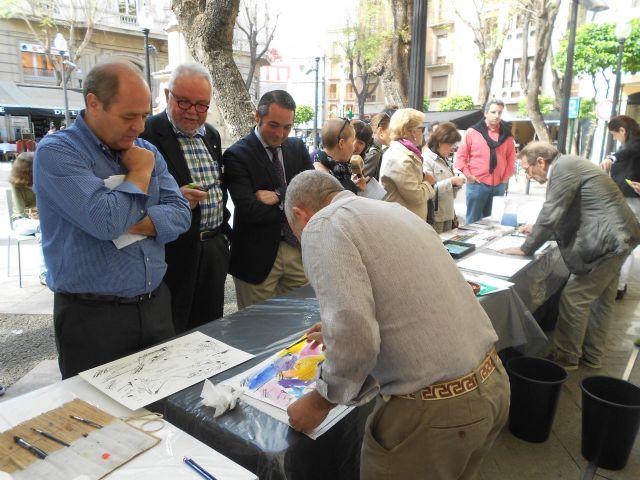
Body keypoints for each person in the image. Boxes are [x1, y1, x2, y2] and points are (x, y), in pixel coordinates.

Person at [284, 171, 509, 479]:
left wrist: (319, 401)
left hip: (435, 414)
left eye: (297, 234)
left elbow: (356, 337)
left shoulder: (322, 225)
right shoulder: (393, 210)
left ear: (300, 215)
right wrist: (338, 331)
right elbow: (409, 296)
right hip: (492, 383)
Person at [33, 61, 191, 379]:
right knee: (99, 421)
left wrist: (135, 220)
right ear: (93, 103)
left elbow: (181, 212)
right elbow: (105, 221)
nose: (139, 127)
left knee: (162, 412)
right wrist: (139, 173)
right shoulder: (58, 152)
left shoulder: (145, 149)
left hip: (154, 304)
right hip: (92, 317)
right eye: (129, 116)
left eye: (144, 115)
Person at [500, 142, 640, 370]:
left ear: (541, 162)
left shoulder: (563, 168)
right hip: (619, 237)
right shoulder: (570, 164)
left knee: (574, 297)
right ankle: (592, 356)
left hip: (608, 242)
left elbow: (552, 210)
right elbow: (569, 210)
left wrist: (526, 248)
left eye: (526, 169)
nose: (528, 175)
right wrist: (537, 228)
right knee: (601, 300)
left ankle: (566, 358)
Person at [141, 63, 230, 333]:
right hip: (175, 253)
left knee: (211, 327)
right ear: (168, 95)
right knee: (174, 329)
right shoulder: (146, 133)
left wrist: (224, 238)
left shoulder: (211, 135)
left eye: (202, 105)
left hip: (212, 247)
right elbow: (131, 197)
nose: (193, 112)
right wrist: (174, 200)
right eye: (184, 102)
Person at [223, 90, 312, 310]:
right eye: (273, 125)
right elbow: (250, 210)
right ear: (257, 117)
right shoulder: (237, 155)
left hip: (297, 253)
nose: (280, 133)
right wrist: (294, 202)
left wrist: (280, 194)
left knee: (296, 328)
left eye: (287, 127)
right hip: (256, 260)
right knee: (255, 332)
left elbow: (311, 193)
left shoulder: (297, 148)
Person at [455, 98, 516, 224]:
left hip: (499, 185)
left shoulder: (507, 135)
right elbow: (461, 157)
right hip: (477, 184)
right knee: (473, 222)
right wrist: (468, 175)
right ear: (486, 113)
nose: (497, 116)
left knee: (493, 222)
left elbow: (511, 159)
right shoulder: (473, 132)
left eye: (500, 112)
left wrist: (505, 178)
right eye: (493, 112)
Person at [600, 115, 640, 300]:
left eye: (614, 134)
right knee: (623, 242)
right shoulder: (629, 145)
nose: (614, 138)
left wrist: (612, 158)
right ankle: (618, 284)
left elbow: (629, 153)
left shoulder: (635, 144)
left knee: (624, 242)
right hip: (626, 198)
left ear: (622, 131)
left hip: (632, 201)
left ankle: (619, 285)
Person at [379, 108, 435, 219]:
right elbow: (415, 196)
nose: (423, 133)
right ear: (413, 131)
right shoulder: (399, 157)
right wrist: (428, 182)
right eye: (422, 129)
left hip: (406, 220)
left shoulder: (405, 152)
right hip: (402, 223)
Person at [8, 152, 47, 285]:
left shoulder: (41, 180)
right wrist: (34, 212)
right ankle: (45, 274)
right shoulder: (16, 185)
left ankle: (49, 272)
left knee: (43, 232)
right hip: (21, 222)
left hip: (40, 220)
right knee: (44, 228)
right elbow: (20, 212)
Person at [423, 122, 465, 233]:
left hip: (448, 213)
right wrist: (451, 181)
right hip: (435, 216)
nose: (452, 148)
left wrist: (456, 184)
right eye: (450, 144)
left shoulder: (445, 160)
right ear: (440, 142)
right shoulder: (426, 159)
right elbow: (427, 189)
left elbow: (450, 190)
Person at [313, 118, 367, 194]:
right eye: (352, 141)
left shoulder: (338, 170)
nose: (353, 147)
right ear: (341, 143)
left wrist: (353, 185)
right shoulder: (323, 178)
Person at [363, 112, 391, 180]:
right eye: (391, 131)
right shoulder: (374, 153)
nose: (393, 135)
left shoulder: (371, 147)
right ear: (380, 131)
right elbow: (361, 179)